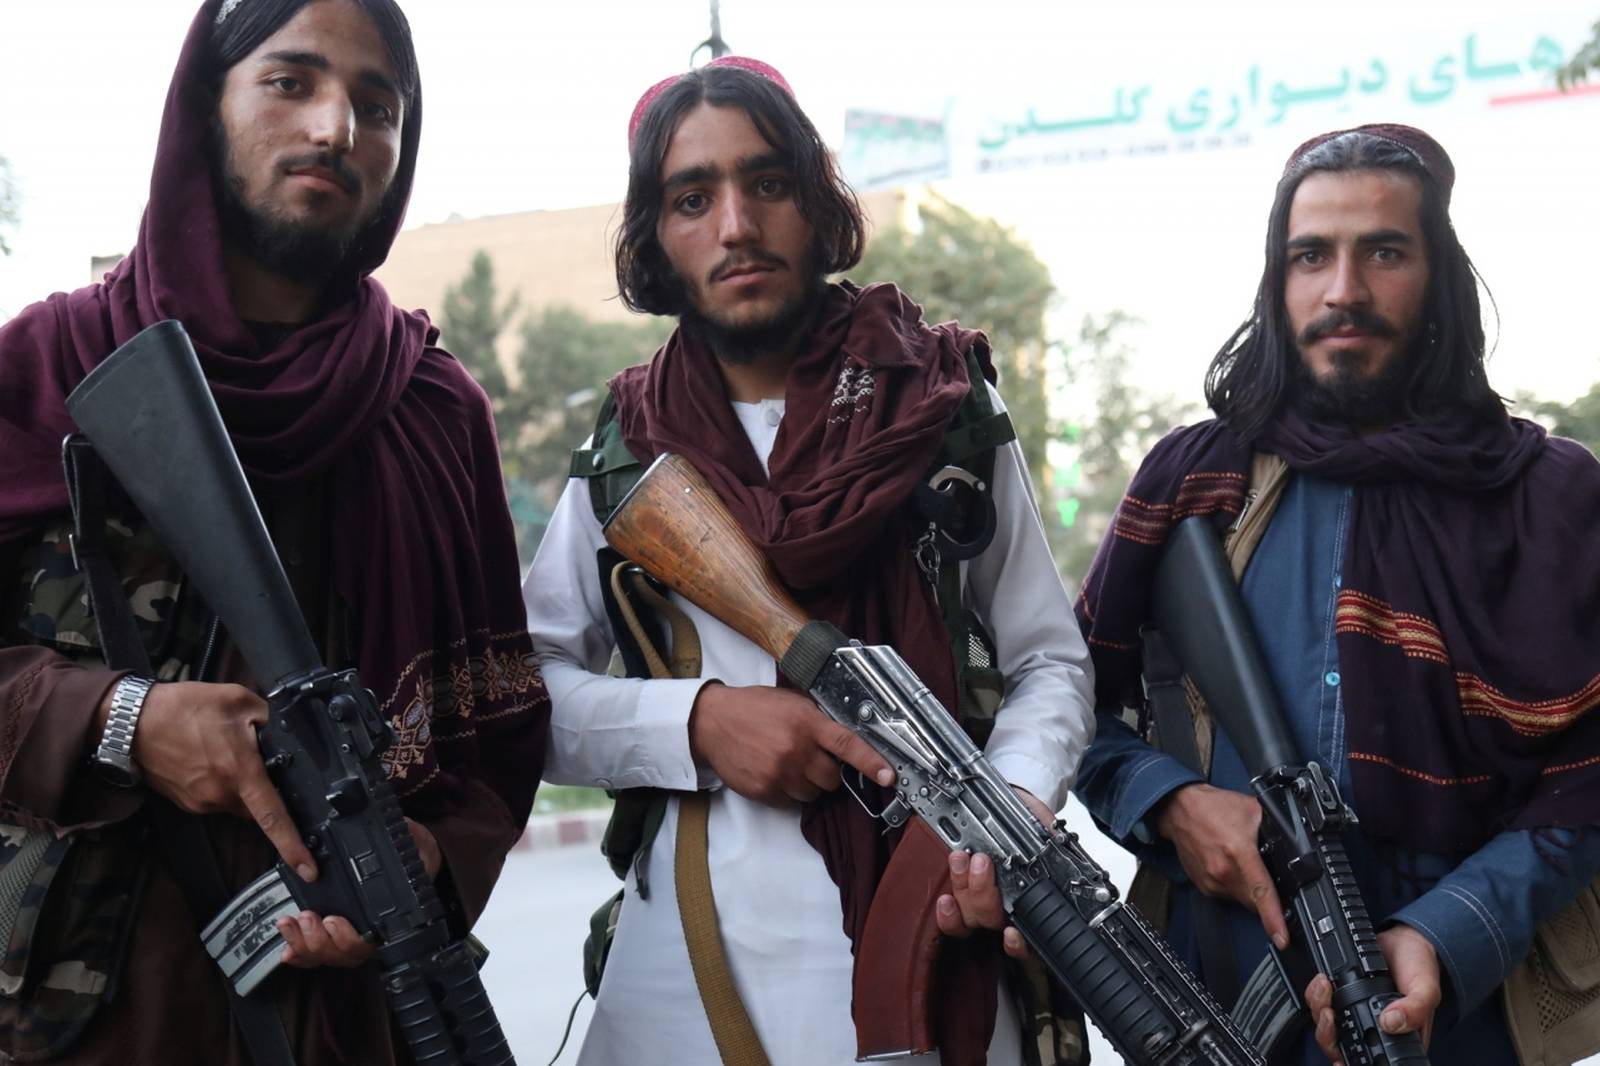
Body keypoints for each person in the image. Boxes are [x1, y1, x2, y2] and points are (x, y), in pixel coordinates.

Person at [0, 1, 546, 1062]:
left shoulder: (433, 410)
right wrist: (120, 720)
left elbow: (501, 724)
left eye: (377, 105)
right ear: (204, 106)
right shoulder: (48, 367)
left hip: (347, 1019)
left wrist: (425, 859)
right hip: (73, 1014)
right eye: (289, 82)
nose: (337, 128)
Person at [523, 57, 1094, 1066]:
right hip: (686, 973)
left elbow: (1049, 657)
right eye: (692, 198)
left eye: (767, 184)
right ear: (656, 239)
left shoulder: (941, 401)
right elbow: (528, 693)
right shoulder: (626, 444)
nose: (736, 226)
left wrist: (1006, 803)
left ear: (816, 204)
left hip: (940, 941)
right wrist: (695, 721)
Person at [1074, 123, 1600, 1064]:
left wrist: (1450, 929)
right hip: (1214, 992)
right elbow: (1067, 700)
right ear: (1277, 284)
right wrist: (1169, 803)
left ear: (1439, 275)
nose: (1343, 290)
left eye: (1384, 252)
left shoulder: (1550, 500)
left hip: (1462, 1016)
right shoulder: (1195, 482)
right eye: (1310, 256)